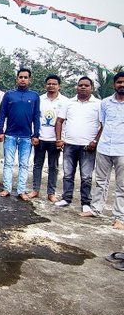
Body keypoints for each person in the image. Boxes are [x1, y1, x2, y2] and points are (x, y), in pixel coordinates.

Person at [55, 76, 101, 214]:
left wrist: (95, 141)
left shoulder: (98, 104)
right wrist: (59, 139)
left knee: (86, 177)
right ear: (77, 87)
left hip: (88, 146)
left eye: (86, 85)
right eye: (80, 85)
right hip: (69, 144)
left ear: (92, 88)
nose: (83, 87)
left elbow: (103, 125)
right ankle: (66, 198)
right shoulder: (69, 103)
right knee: (68, 174)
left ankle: (86, 203)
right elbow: (59, 121)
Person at [87, 72, 124, 228]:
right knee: (101, 182)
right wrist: (96, 141)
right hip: (104, 147)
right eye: (119, 82)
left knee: (122, 186)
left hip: (122, 149)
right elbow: (102, 124)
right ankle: (95, 210)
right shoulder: (105, 103)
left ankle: (119, 218)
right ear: (113, 84)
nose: (122, 85)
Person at [0, 68, 41, 199]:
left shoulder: (34, 96)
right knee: (8, 163)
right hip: (10, 135)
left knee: (24, 164)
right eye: (20, 77)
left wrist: (36, 134)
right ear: (17, 79)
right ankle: (6, 188)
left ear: (29, 79)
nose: (23, 79)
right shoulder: (9, 95)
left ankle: (21, 190)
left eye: (25, 77)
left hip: (26, 137)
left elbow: (36, 116)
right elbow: (2, 114)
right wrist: (0, 131)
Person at [26, 74, 65, 201]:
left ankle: (51, 193)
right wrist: (34, 135)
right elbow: (34, 118)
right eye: (49, 83)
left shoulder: (65, 102)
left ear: (59, 86)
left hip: (55, 139)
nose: (51, 86)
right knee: (37, 164)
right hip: (41, 138)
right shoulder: (39, 99)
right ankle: (35, 189)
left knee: (53, 166)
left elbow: (66, 122)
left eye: (54, 84)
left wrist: (61, 139)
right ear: (45, 85)